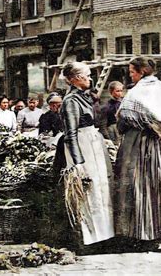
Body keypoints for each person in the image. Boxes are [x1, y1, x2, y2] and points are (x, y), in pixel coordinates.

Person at [115, 57, 161, 251]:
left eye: (132, 72)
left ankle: (147, 236)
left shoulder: (136, 92)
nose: (131, 75)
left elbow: (125, 119)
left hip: (140, 145)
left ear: (142, 71)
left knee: (141, 185)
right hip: (160, 146)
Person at [61, 62, 114, 246]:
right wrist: (78, 164)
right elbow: (71, 134)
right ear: (75, 79)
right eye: (87, 75)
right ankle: (90, 237)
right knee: (89, 190)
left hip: (93, 144)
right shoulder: (70, 101)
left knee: (100, 187)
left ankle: (104, 234)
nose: (90, 79)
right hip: (83, 147)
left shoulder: (84, 97)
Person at [99, 81, 124, 145]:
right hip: (113, 133)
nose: (120, 93)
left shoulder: (124, 104)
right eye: (117, 91)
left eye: (121, 91)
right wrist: (108, 139)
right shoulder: (106, 107)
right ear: (111, 91)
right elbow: (103, 126)